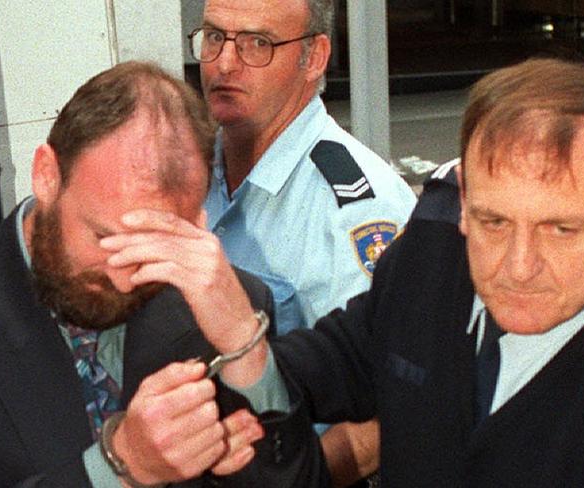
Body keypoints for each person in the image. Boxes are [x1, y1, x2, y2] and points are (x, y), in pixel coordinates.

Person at [168, 58, 584, 486]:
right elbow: (341, 360)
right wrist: (235, 355)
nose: (519, 267)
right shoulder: (432, 256)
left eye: (559, 229)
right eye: (493, 222)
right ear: (463, 203)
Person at [0, 61, 321, 487]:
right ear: (47, 175)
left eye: (152, 248)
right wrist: (118, 466)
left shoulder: (228, 306)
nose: (126, 281)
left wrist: (245, 347)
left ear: (198, 223)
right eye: (106, 238)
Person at [191, 0, 416, 482]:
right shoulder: (188, 170)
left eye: (258, 44)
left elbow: (394, 411)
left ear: (313, 57)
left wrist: (288, 479)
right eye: (214, 37)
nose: (225, 63)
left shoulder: (356, 209)